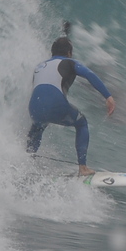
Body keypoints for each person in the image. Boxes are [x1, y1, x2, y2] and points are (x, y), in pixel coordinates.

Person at [26, 32, 115, 177]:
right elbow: (89, 74)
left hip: (34, 107)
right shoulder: (70, 62)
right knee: (81, 123)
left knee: (38, 126)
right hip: (55, 104)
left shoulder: (40, 66)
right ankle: (83, 167)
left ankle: (27, 162)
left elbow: (40, 90)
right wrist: (108, 97)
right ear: (69, 53)